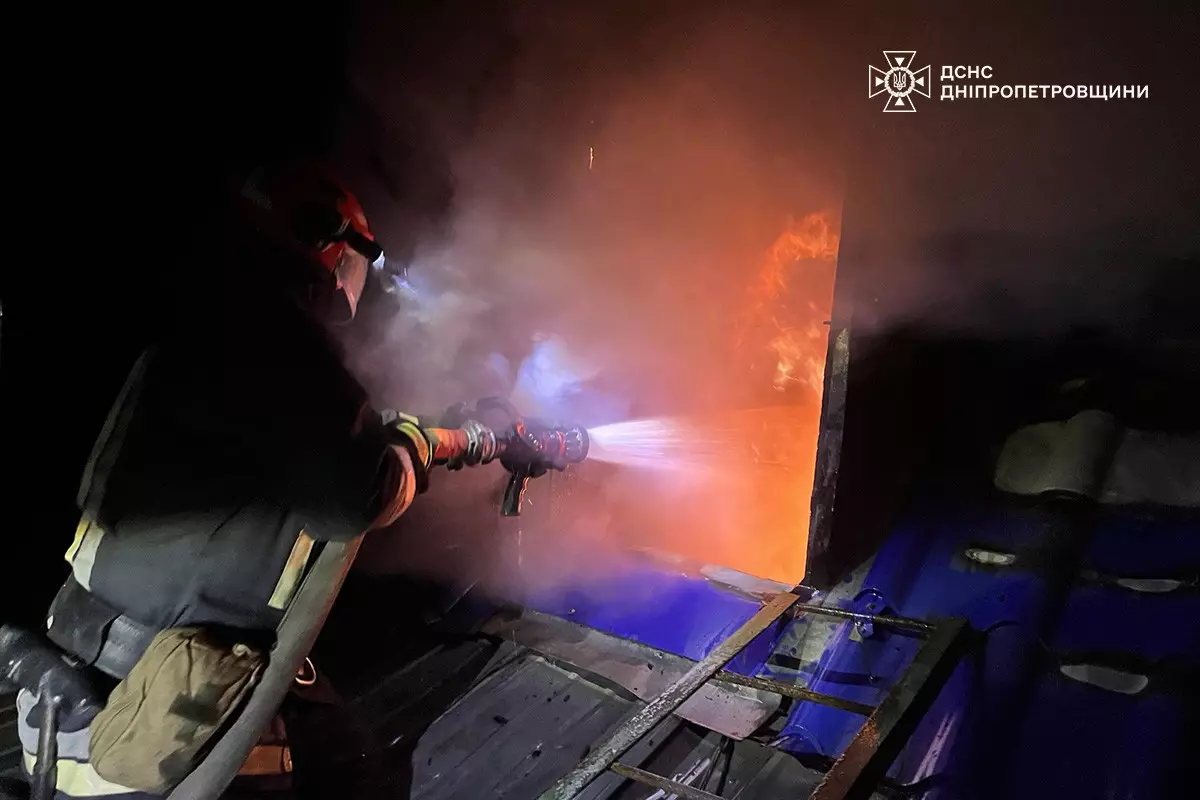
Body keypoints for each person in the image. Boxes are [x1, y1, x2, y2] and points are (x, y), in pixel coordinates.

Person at [8, 163, 471, 799]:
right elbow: (354, 498)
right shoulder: (275, 337)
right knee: (353, 776)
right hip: (160, 697)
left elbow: (284, 438)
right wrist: (420, 444)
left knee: (339, 743)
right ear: (336, 249)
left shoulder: (209, 315)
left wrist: (380, 430)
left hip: (89, 659)